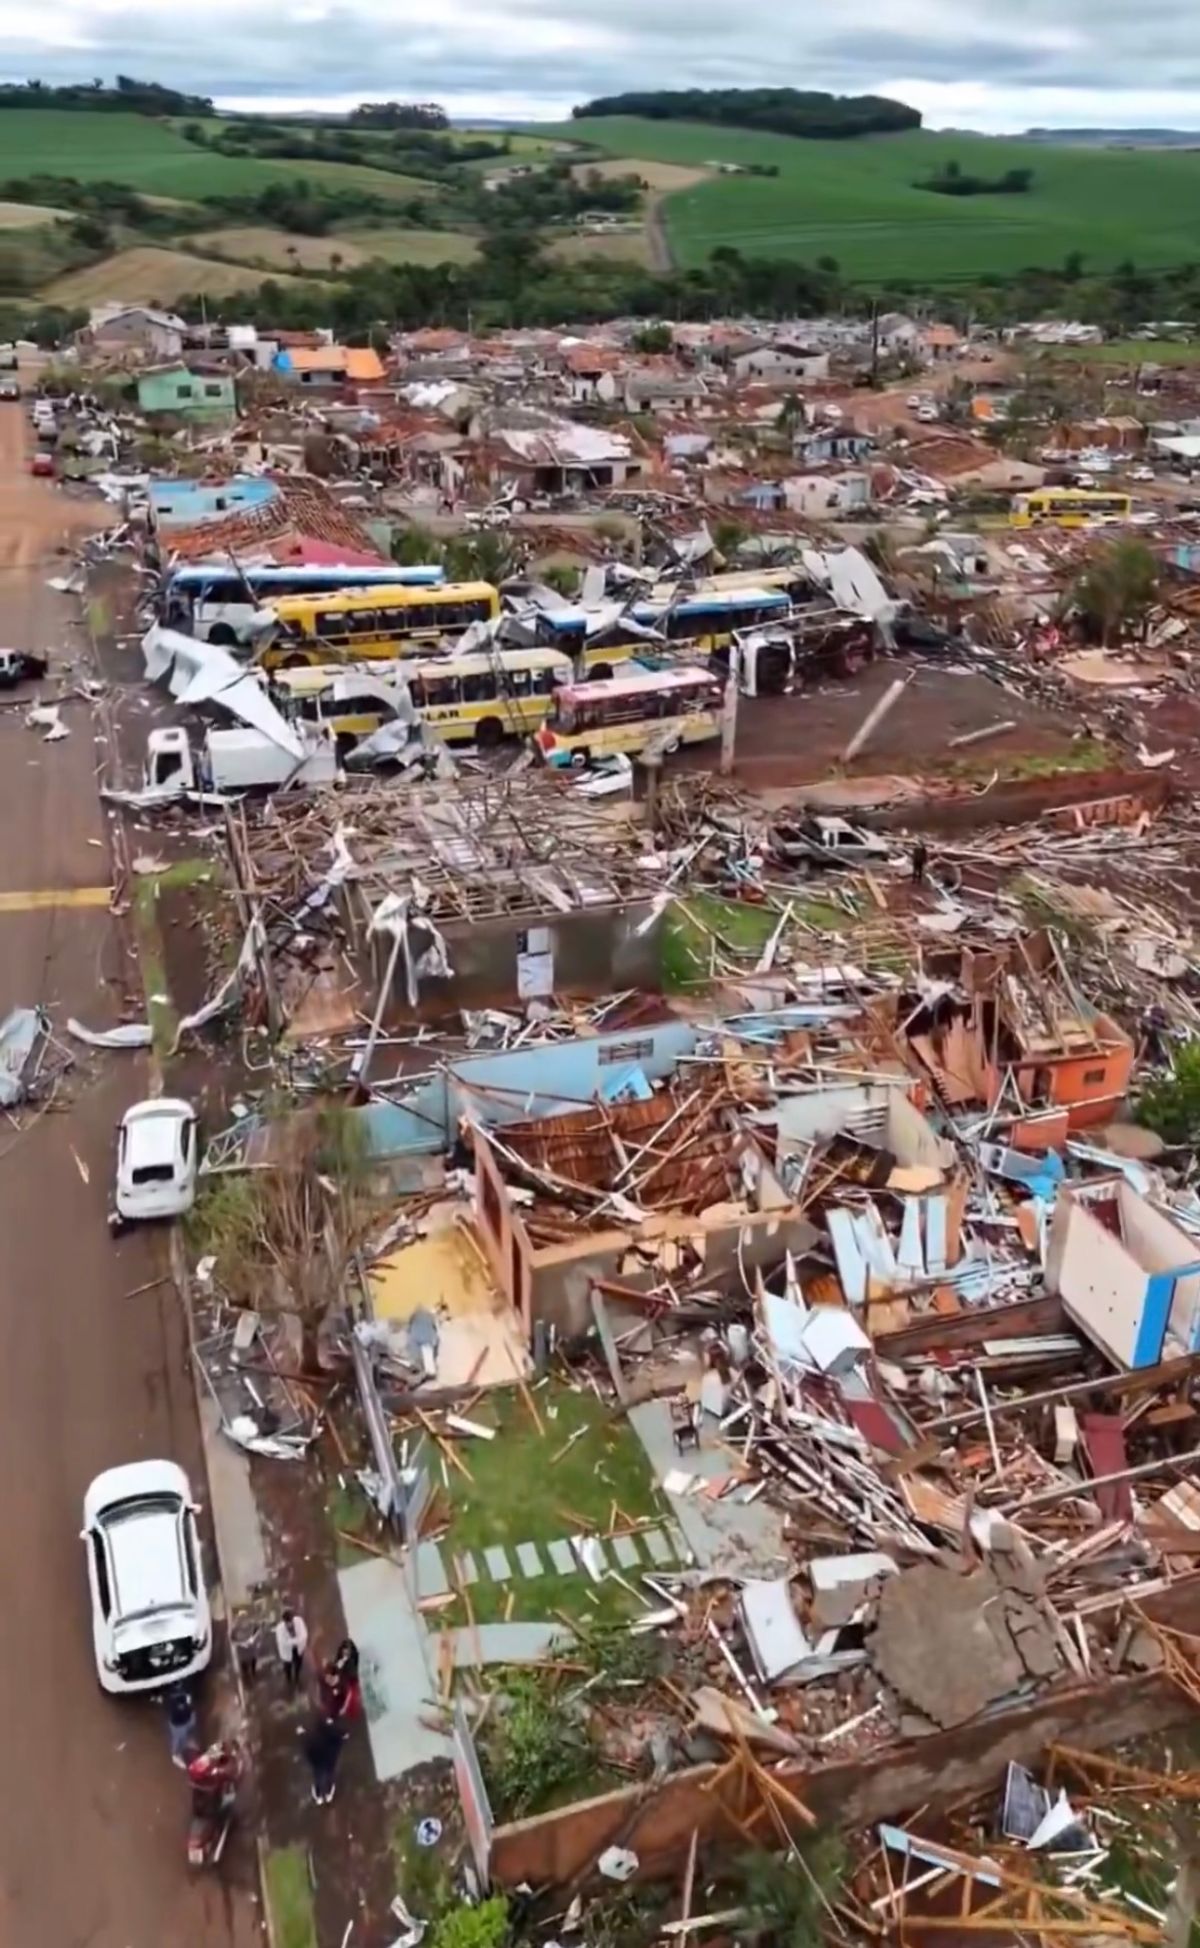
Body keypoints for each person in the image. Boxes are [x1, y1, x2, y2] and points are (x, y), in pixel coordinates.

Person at [304, 1713, 346, 1806]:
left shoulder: (323, 1738)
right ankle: (322, 1794)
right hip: (325, 1759)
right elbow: (337, 1744)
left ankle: (321, 1795)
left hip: (323, 1759)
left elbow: (310, 1752)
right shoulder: (328, 1737)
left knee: (322, 1776)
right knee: (325, 1776)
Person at [274, 1606, 309, 1694]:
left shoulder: (299, 1621)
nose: (289, 1624)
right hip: (287, 1653)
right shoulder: (279, 1629)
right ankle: (289, 1680)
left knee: (298, 1665)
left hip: (299, 1650)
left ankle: (297, 1678)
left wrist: (293, 1641)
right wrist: (297, 1640)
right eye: (287, 1622)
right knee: (287, 1668)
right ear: (284, 1621)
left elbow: (304, 1635)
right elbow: (283, 1642)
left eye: (290, 1621)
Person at [166, 1683, 198, 1769]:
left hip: (188, 1717)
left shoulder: (185, 1688)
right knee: (178, 1741)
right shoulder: (172, 1697)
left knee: (190, 1731)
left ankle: (189, 1743)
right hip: (178, 1724)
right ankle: (175, 1755)